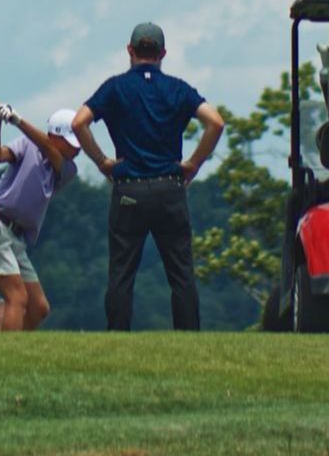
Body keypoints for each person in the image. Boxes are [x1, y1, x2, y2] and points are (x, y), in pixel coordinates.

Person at [72, 22, 225, 330]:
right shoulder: (178, 89)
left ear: (130, 50)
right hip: (170, 187)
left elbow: (79, 123)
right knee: (181, 273)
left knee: (122, 272)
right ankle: (188, 338)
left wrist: (102, 161)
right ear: (163, 53)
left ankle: (117, 337)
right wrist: (193, 163)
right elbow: (216, 123)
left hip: (129, 188)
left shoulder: (115, 87)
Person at [0, 95, 82, 331]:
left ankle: (19, 351)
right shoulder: (26, 145)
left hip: (15, 238)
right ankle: (9, 357)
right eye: (71, 143)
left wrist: (16, 118)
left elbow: (50, 149)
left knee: (39, 307)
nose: (77, 149)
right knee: (17, 298)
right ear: (55, 135)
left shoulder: (68, 169)